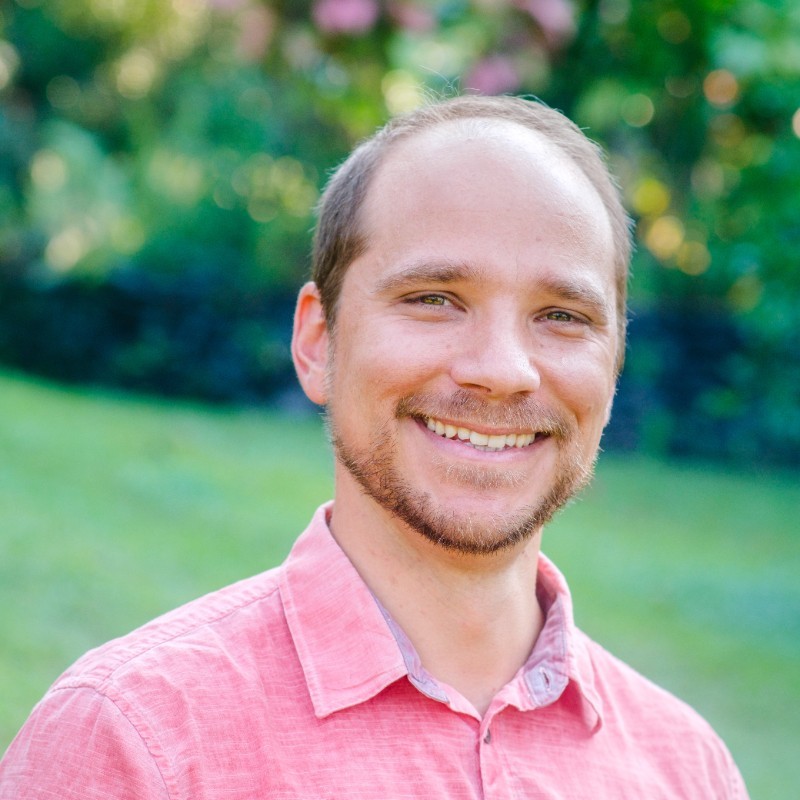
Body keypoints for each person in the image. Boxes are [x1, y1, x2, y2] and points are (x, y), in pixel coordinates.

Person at [0, 95, 749, 798]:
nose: (501, 370)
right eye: (434, 300)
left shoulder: (687, 769)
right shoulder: (132, 746)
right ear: (318, 340)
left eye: (561, 316)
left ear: (613, 366)